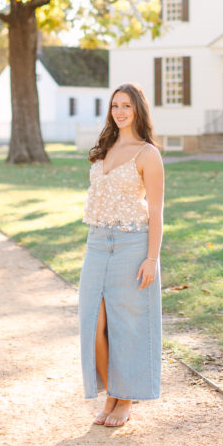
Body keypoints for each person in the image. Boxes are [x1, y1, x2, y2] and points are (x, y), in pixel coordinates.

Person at [78, 82, 164, 427]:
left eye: (126, 105)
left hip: (133, 244)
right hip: (97, 242)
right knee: (94, 324)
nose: (120, 111)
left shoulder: (147, 154)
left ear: (138, 110)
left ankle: (123, 399)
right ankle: (112, 392)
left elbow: (156, 210)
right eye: (115, 105)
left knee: (126, 324)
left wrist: (152, 258)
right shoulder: (105, 147)